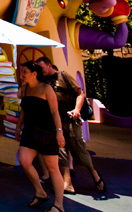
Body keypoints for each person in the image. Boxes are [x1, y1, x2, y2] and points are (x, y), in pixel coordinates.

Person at [36, 56, 106, 195]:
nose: (40, 71)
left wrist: (77, 110)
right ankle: (67, 183)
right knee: (61, 153)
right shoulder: (42, 81)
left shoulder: (63, 76)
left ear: (49, 65)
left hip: (70, 120)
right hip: (55, 123)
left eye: (42, 68)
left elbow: (80, 93)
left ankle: (94, 174)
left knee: (79, 151)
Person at [15, 61, 67, 212]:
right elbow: (24, 110)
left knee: (52, 168)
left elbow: (54, 111)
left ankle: (59, 205)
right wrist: (18, 127)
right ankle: (40, 192)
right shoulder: (24, 90)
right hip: (30, 132)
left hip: (47, 132)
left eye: (25, 72)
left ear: (34, 74)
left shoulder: (46, 88)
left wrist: (59, 131)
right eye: (21, 71)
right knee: (24, 160)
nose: (22, 75)